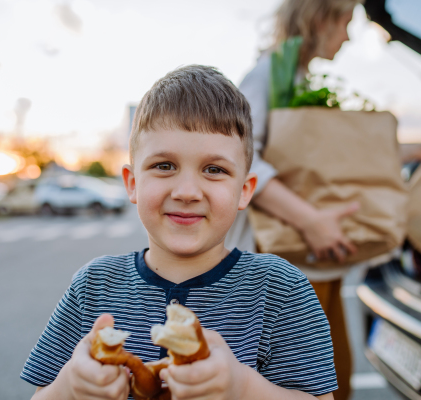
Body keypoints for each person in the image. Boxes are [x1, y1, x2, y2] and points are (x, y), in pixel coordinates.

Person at [20, 65, 339, 400]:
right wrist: (69, 387)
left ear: (245, 190)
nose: (187, 191)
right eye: (164, 166)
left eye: (214, 170)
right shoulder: (92, 287)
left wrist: (244, 388)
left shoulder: (281, 290)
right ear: (132, 184)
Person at [225, 1, 421, 399]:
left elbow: (324, 162)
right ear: (317, 17)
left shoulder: (299, 78)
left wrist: (408, 152)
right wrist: (310, 220)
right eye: (344, 21)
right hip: (288, 263)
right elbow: (240, 158)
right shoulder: (267, 75)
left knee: (334, 376)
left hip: (319, 263)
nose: (347, 35)